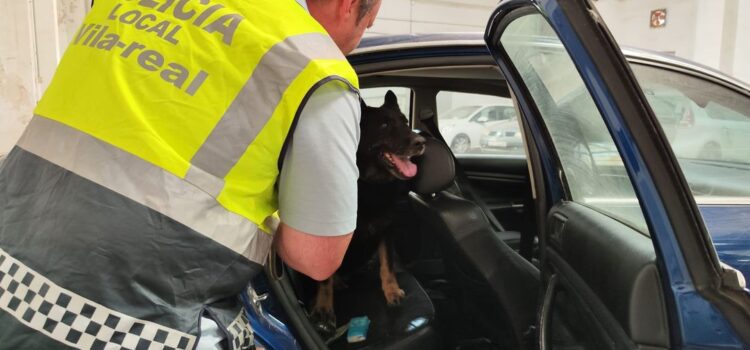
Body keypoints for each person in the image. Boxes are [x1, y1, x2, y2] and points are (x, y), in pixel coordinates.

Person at [0, 0, 381, 349]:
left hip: (11, 284)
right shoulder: (316, 68)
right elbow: (316, 257)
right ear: (349, 5)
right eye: (368, 24)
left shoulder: (121, 5)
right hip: (125, 328)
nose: (357, 41)